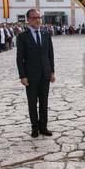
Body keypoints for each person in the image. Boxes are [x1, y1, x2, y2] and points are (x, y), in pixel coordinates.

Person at [16, 8, 56, 137]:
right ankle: (34, 127)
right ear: (28, 20)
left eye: (39, 17)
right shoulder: (22, 36)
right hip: (31, 76)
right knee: (32, 103)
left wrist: (52, 72)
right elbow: (19, 58)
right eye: (34, 18)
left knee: (44, 102)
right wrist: (22, 76)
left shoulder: (46, 34)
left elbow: (50, 55)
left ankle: (43, 126)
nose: (37, 20)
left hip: (45, 74)